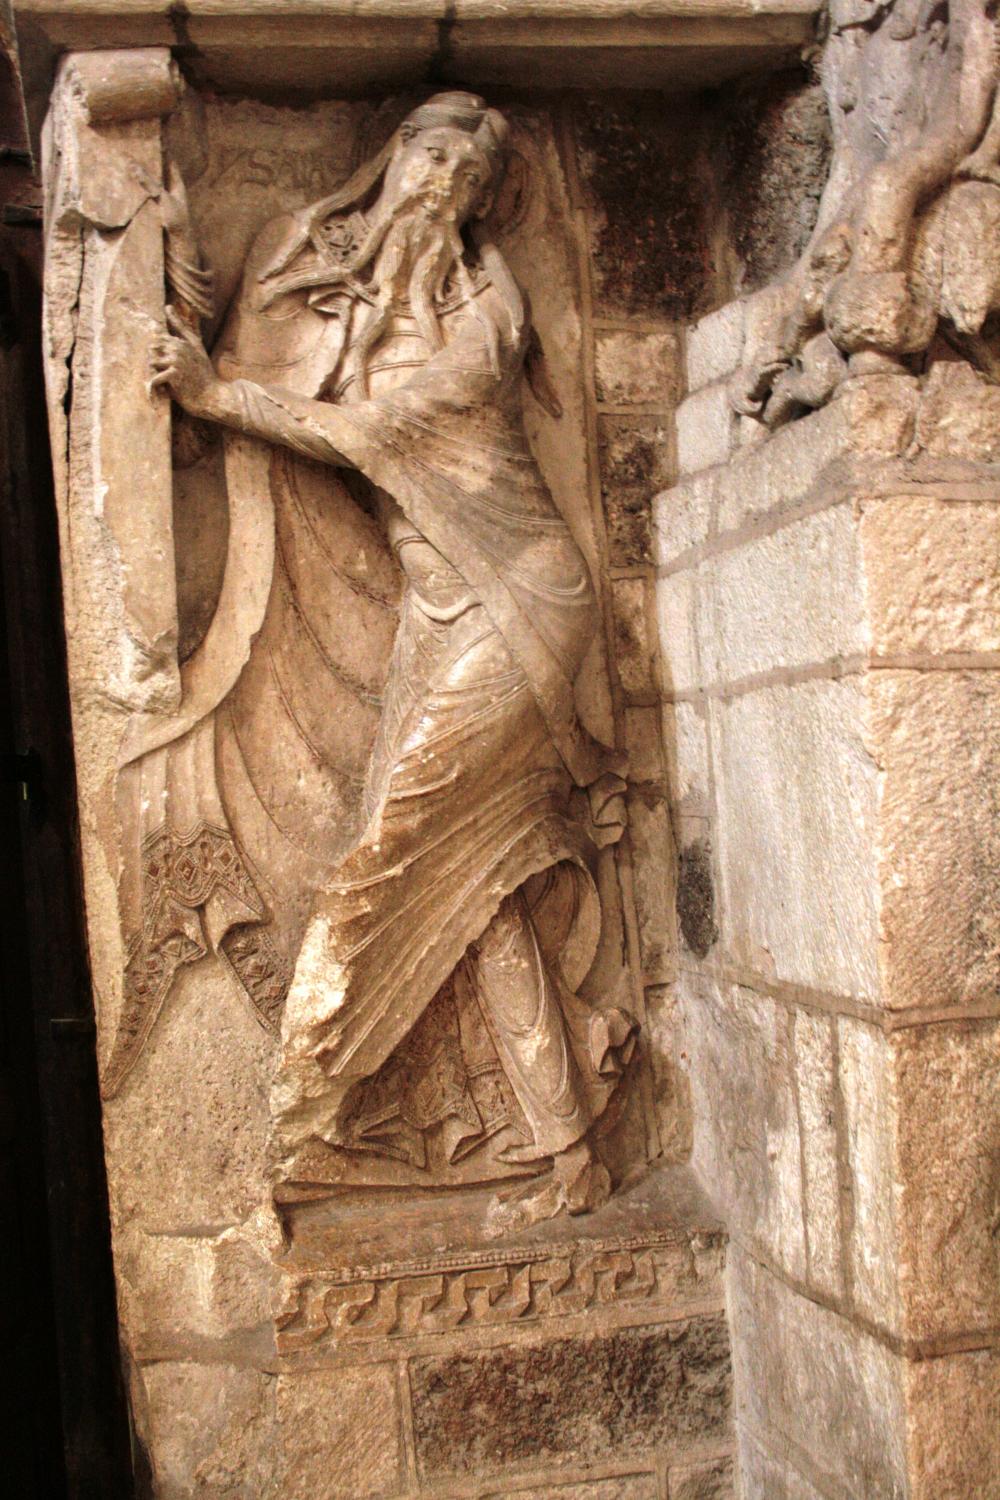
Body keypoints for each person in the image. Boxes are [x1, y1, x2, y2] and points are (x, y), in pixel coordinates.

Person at [148, 93, 637, 1233]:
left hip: (519, 608)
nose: (439, 189)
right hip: (434, 613)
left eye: (467, 182)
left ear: (481, 208)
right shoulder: (344, 286)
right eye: (428, 160)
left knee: (380, 868)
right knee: (479, 891)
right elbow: (268, 341)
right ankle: (569, 1151)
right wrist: (184, 283)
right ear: (390, 160)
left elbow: (370, 435)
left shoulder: (487, 314)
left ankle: (303, 1121)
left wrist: (218, 395)